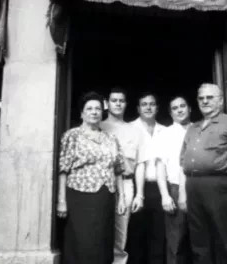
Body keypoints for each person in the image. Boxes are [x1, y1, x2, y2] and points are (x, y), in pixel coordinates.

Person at [180, 83, 227, 264]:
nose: (205, 101)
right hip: (193, 186)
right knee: (199, 239)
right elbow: (183, 163)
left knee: (224, 237)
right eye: (201, 98)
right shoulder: (193, 128)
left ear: (220, 101)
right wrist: (183, 193)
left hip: (220, 186)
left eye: (210, 97)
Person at [57, 91, 127, 264]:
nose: (94, 112)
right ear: (82, 113)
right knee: (83, 243)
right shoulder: (72, 135)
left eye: (97, 108)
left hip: (106, 198)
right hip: (80, 197)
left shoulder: (111, 138)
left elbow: (118, 170)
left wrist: (121, 198)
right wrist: (61, 200)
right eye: (89, 108)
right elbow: (63, 170)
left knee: (102, 243)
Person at [100, 87, 139, 264]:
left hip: (126, 183)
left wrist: (140, 194)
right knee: (98, 229)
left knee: (120, 233)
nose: (118, 103)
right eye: (114, 100)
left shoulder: (133, 129)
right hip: (100, 184)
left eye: (121, 101)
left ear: (126, 104)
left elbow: (140, 163)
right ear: (106, 104)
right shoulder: (98, 126)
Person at [128, 92, 168, 264]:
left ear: (157, 108)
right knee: (136, 234)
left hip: (160, 188)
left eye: (152, 104)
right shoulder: (129, 128)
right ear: (138, 108)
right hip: (135, 188)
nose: (148, 107)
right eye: (144, 104)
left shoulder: (165, 131)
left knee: (159, 234)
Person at [156, 96, 192, 264]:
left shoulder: (200, 129)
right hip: (175, 188)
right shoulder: (166, 133)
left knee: (200, 239)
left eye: (182, 106)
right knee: (176, 241)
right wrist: (165, 195)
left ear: (189, 108)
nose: (179, 110)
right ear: (171, 113)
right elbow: (160, 165)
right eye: (175, 108)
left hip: (200, 188)